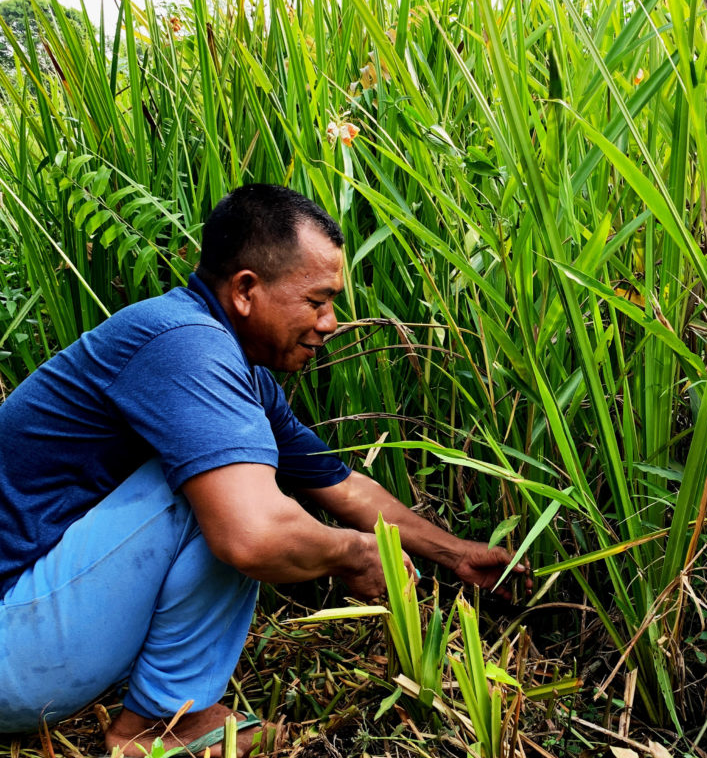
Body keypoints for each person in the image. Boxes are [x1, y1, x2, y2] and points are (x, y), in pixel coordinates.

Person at [0, 184, 529, 756]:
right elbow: (251, 534)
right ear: (247, 290)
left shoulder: (236, 372)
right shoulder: (187, 347)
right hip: (14, 651)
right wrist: (352, 554)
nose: (330, 323)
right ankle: (161, 725)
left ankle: (165, 712)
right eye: (317, 301)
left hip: (35, 635)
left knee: (240, 478)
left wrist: (455, 553)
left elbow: (344, 485)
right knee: (230, 493)